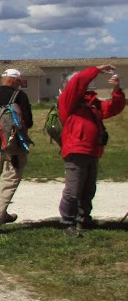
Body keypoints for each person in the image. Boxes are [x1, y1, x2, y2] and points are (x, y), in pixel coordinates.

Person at [57, 64, 124, 236]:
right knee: (73, 190)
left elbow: (113, 108)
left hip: (92, 150)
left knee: (88, 188)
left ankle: (83, 218)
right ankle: (67, 222)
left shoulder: (91, 103)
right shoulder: (68, 99)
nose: (86, 85)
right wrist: (96, 69)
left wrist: (116, 91)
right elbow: (77, 82)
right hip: (76, 150)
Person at [0, 68, 33, 236]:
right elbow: (29, 122)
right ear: (16, 81)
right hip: (13, 147)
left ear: (3, 80)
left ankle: (1, 214)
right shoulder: (19, 97)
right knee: (9, 183)